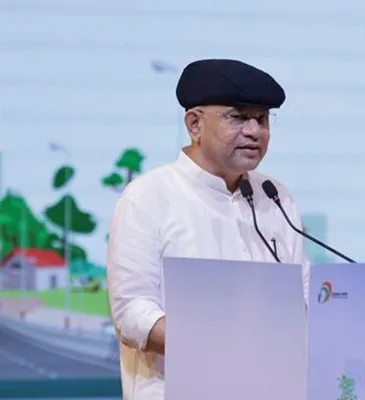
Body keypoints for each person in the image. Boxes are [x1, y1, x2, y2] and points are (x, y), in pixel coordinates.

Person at [106, 58, 310, 400]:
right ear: (194, 124)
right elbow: (132, 314)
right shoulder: (148, 197)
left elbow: (303, 298)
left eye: (262, 119)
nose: (254, 131)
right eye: (238, 117)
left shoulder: (275, 196)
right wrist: (223, 345)